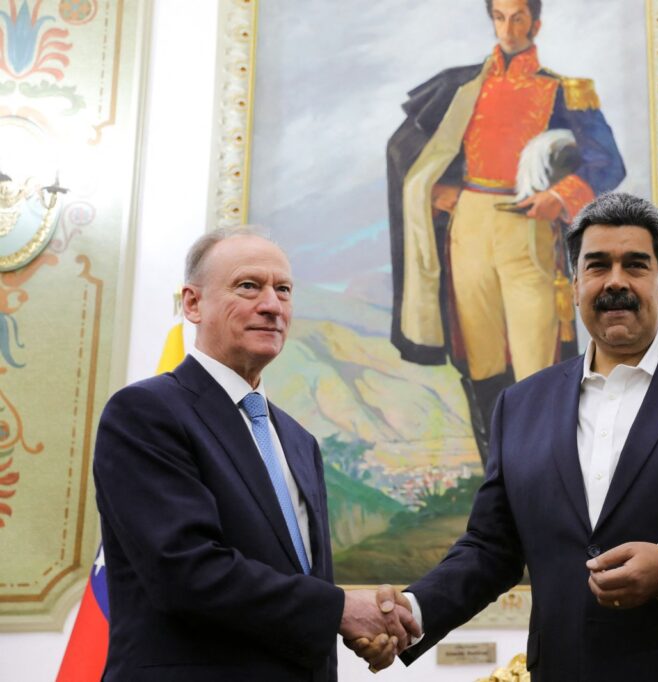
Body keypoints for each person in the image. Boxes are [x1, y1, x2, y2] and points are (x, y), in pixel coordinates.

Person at [374, 193, 658, 680]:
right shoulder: (521, 405)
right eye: (597, 266)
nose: (615, 280)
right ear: (575, 284)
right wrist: (411, 612)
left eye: (635, 265)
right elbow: (492, 549)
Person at [92, 228, 419, 681]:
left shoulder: (299, 441)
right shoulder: (145, 413)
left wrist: (358, 627)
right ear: (192, 303)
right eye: (249, 286)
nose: (272, 305)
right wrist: (341, 609)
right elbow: (187, 572)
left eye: (283, 290)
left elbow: (301, 586)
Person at [386, 0, 626, 463]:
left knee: (539, 361)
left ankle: (546, 476)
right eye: (500, 16)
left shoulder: (565, 91)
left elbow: (608, 162)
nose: (509, 27)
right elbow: (410, 148)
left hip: (529, 229)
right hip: (469, 229)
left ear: (536, 23)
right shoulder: (462, 87)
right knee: (480, 360)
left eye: (518, 17)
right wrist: (438, 187)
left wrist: (559, 197)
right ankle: (498, 478)